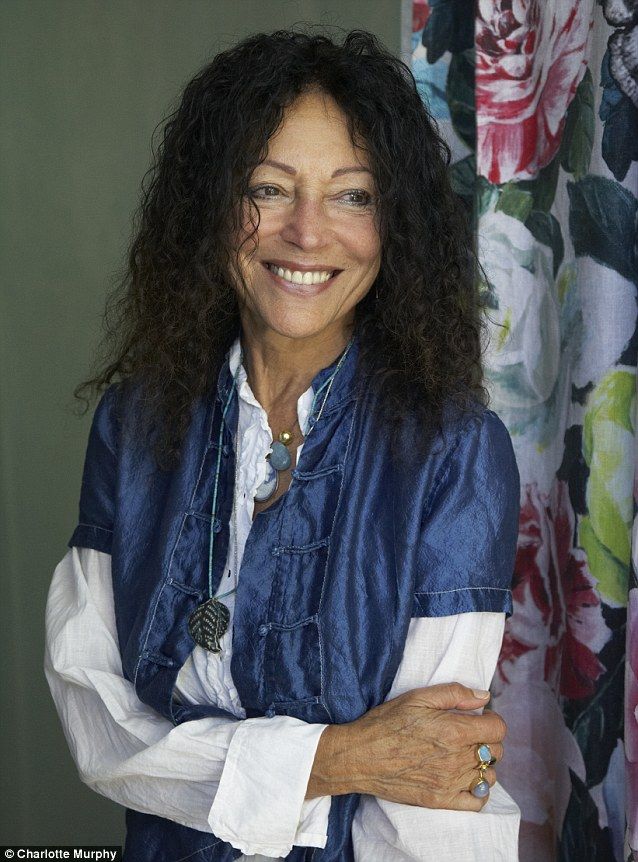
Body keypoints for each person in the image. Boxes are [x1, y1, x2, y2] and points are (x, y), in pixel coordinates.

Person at [44, 28, 521, 862]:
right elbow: (99, 726)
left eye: (353, 196)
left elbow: (440, 787)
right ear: (210, 208)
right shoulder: (132, 423)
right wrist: (339, 759)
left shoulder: (454, 452)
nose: (307, 234)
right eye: (268, 189)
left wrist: (235, 768)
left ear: (395, 223)